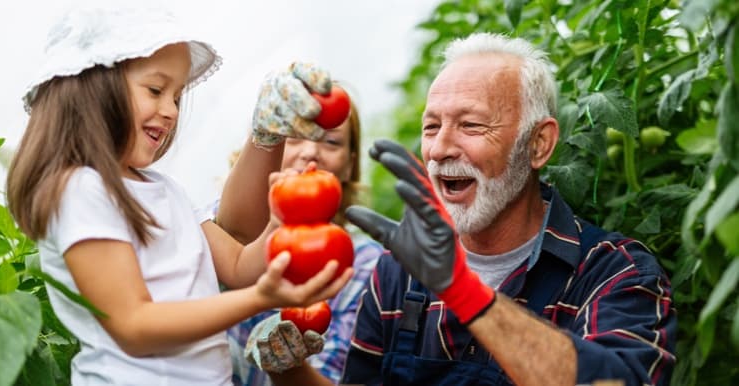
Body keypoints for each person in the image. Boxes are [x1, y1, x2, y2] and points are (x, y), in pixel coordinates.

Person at [249, 32, 677, 386]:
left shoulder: (615, 273)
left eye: (471, 125)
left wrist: (462, 290)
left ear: (538, 144)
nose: (439, 148)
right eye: (431, 126)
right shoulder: (399, 272)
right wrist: (291, 372)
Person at [5, 6, 351, 385]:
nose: (170, 110)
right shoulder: (81, 191)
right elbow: (134, 326)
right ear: (92, 88)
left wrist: (278, 227)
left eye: (177, 95)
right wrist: (260, 299)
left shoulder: (164, 190)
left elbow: (236, 266)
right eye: (156, 90)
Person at [212, 87, 385, 385]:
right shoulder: (217, 222)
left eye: (331, 142)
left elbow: (343, 374)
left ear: (349, 164)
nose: (310, 152)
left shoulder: (366, 264)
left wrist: (287, 365)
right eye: (294, 135)